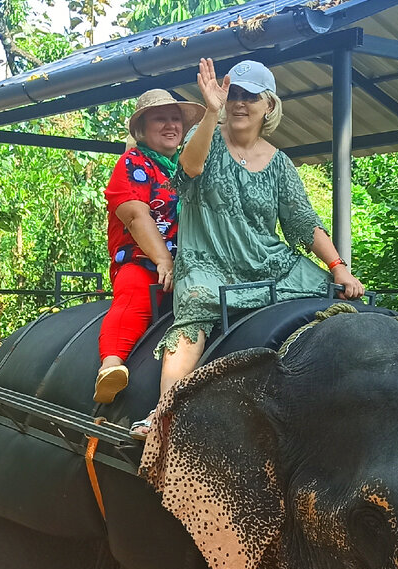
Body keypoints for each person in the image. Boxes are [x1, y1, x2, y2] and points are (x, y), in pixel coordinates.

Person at [133, 57, 365, 437]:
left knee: (338, 298)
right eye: (234, 95)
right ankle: (164, 414)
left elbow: (304, 223)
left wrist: (339, 266)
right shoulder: (202, 137)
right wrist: (210, 112)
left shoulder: (280, 164)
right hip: (209, 263)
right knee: (192, 317)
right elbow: (191, 168)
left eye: (250, 96)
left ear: (268, 105)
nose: (239, 103)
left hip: (269, 263)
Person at [94, 89, 203, 404]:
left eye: (175, 119)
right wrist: (163, 260)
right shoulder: (131, 162)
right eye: (160, 119)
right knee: (134, 296)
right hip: (142, 261)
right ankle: (111, 364)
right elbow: (136, 216)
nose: (171, 125)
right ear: (141, 128)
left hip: (190, 266)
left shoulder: (182, 169)